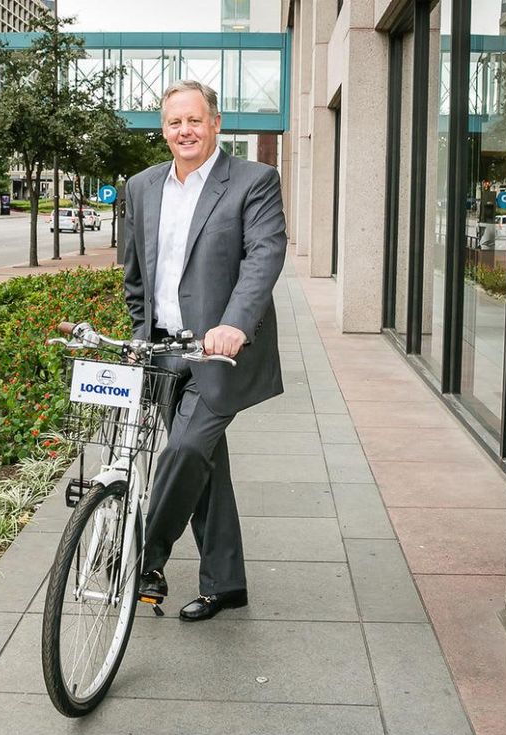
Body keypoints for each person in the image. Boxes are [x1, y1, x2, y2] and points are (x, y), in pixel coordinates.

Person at [123, 80, 287, 622]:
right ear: (163, 129)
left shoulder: (253, 180)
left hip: (219, 353)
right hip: (165, 352)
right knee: (206, 466)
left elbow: (263, 256)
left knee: (187, 449)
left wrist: (236, 325)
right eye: (174, 123)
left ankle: (143, 560)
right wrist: (140, 338)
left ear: (215, 123)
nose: (184, 131)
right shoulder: (142, 186)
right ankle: (226, 582)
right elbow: (136, 277)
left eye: (194, 120)